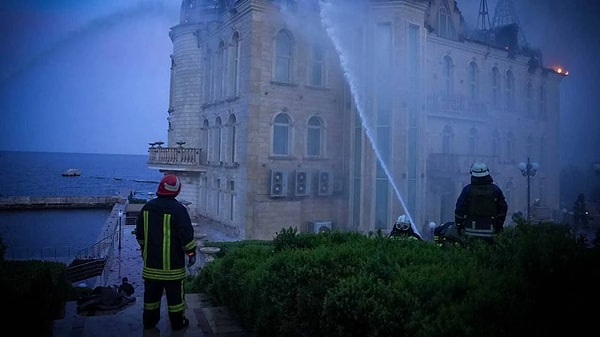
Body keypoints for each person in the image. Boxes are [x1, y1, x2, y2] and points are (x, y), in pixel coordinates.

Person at [135, 174, 197, 331]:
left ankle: (149, 323)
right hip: (173, 269)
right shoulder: (179, 210)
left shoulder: (147, 208)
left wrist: (144, 251)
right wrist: (191, 253)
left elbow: (140, 234)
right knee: (176, 300)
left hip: (151, 267)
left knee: (151, 299)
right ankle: (178, 324)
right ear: (176, 191)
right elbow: (187, 236)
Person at [454, 162, 508, 243]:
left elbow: (459, 209)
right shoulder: (495, 190)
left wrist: (459, 225)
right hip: (491, 231)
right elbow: (503, 209)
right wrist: (499, 225)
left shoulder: (467, 190)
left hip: (470, 231)